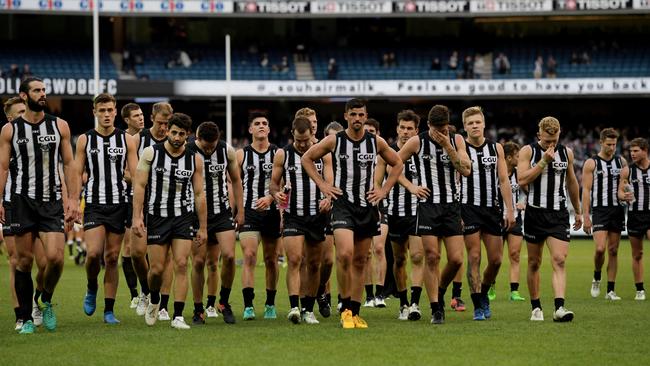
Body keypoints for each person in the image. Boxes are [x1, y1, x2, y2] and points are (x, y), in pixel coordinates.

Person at [302, 98, 403, 329]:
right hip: (342, 205)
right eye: (353, 114)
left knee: (360, 260)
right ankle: (345, 308)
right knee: (345, 255)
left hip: (367, 207)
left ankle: (355, 313)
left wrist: (383, 191)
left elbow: (397, 164)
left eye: (361, 115)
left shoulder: (375, 142)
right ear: (346, 116)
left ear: (365, 116)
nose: (357, 118)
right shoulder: (334, 140)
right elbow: (307, 158)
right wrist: (323, 186)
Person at [0, 77, 79, 334]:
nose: (42, 94)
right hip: (21, 201)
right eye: (37, 90)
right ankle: (23, 318)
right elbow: (2, 168)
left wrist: (72, 199)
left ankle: (43, 298)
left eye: (44, 89)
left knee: (55, 259)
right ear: (24, 96)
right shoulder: (10, 131)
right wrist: (1, 200)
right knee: (23, 262)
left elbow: (69, 164)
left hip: (51, 201)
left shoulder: (60, 126)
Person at [132, 112, 207, 329]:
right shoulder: (150, 153)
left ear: (188, 135)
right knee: (155, 269)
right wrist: (137, 217)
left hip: (183, 217)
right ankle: (154, 298)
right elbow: (139, 185)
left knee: (182, 264)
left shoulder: (194, 159)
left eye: (181, 134)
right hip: (157, 217)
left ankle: (178, 316)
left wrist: (202, 226)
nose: (175, 137)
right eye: (173, 132)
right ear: (167, 131)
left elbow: (200, 194)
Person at [397, 104, 471, 324]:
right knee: (432, 257)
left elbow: (466, 170)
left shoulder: (456, 140)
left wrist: (448, 145)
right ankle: (436, 308)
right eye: (436, 128)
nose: (440, 132)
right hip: (428, 206)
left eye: (444, 128)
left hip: (451, 207)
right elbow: (393, 163)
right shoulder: (417, 142)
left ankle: (439, 288)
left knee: (456, 260)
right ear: (428, 125)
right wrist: (411, 187)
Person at [76, 93, 138, 324]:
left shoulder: (126, 140)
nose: (106, 114)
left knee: (112, 258)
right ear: (95, 112)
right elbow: (75, 171)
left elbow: (136, 175)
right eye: (102, 110)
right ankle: (92, 287)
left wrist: (129, 178)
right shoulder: (85, 140)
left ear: (115, 111)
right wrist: (72, 201)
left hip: (119, 204)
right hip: (93, 203)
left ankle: (109, 310)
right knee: (93, 254)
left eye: (110, 110)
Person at [517, 116, 582, 322]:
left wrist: (579, 211)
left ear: (559, 134)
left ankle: (559, 308)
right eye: (546, 141)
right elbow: (522, 179)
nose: (551, 145)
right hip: (535, 213)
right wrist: (544, 160)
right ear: (539, 135)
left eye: (554, 141)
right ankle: (536, 307)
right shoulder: (528, 151)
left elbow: (572, 183)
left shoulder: (567, 153)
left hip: (558, 214)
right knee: (534, 262)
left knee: (559, 260)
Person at [271, 116, 331, 324]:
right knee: (295, 260)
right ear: (292, 135)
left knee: (315, 264)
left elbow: (329, 181)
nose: (303, 144)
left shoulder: (323, 153)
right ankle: (294, 307)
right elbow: (273, 184)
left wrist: (328, 198)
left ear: (312, 135)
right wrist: (276, 196)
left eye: (306, 140)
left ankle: (308, 308)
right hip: (293, 215)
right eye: (299, 140)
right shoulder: (283, 154)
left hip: (317, 214)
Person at [460, 107, 515, 321]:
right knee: (474, 257)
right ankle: (477, 305)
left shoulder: (496, 149)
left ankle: (483, 294)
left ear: (484, 125)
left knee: (496, 260)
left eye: (477, 122)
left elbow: (503, 180)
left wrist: (510, 209)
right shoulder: (460, 147)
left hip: (492, 209)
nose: (474, 125)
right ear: (465, 126)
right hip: (468, 208)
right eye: (470, 123)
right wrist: (458, 212)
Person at [186, 121, 243, 325]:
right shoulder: (188, 150)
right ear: (197, 138)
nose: (210, 149)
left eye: (213, 145)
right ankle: (198, 309)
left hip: (221, 212)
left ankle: (224, 302)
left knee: (228, 256)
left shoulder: (226, 150)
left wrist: (240, 211)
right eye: (206, 146)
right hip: (194, 215)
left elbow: (236, 180)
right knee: (200, 262)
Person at [377, 110, 425, 321]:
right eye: (402, 128)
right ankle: (403, 303)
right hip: (394, 212)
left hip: (418, 212)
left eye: (410, 129)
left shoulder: (423, 151)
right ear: (397, 128)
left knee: (417, 256)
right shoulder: (387, 151)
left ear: (416, 131)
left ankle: (415, 303)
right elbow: (384, 174)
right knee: (399, 260)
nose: (405, 132)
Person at [236, 111, 281, 320]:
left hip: (272, 212)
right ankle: (248, 305)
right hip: (250, 212)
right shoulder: (241, 155)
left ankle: (270, 304)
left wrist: (271, 199)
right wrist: (237, 210)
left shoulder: (279, 154)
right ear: (250, 129)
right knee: (249, 256)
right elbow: (233, 183)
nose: (261, 126)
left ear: (269, 129)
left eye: (265, 123)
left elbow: (286, 184)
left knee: (272, 259)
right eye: (257, 123)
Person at [131, 102, 173, 319]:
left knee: (166, 259)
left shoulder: (174, 140)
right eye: (160, 123)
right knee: (137, 253)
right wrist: (142, 177)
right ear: (152, 118)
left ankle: (163, 305)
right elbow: (128, 171)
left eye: (167, 123)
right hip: (143, 203)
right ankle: (146, 291)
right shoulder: (139, 139)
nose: (164, 128)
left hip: (166, 206)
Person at [582, 128, 626, 300]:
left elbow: (625, 184)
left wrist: (628, 194)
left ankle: (610, 290)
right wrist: (586, 216)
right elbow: (586, 190)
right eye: (609, 144)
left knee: (613, 250)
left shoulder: (621, 162)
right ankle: (597, 276)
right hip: (600, 210)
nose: (612, 147)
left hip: (617, 210)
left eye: (614, 144)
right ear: (601, 143)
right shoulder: (591, 163)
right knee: (600, 249)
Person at [2, 97, 27, 331]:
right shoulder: (4, 142)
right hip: (11, 204)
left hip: (39, 206)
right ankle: (20, 314)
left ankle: (39, 299)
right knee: (15, 261)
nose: (25, 114)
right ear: (10, 119)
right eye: (20, 112)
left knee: (49, 260)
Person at [361, 118, 389, 308]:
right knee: (365, 253)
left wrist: (383, 193)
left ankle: (380, 294)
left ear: (377, 132)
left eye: (372, 130)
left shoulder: (384, 153)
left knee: (379, 248)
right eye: (366, 130)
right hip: (360, 207)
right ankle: (369, 294)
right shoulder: (355, 151)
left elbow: (397, 170)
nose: (369, 133)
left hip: (381, 206)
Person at [120, 102, 145, 309]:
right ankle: (134, 293)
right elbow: (124, 173)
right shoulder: (122, 140)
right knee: (129, 247)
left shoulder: (150, 138)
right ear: (127, 119)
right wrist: (140, 180)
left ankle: (148, 292)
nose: (141, 118)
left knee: (149, 247)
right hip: (129, 199)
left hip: (153, 200)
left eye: (142, 114)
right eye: (136, 116)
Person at [318, 121, 344, 317]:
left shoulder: (349, 155)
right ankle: (323, 293)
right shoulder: (320, 154)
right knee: (326, 260)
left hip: (347, 208)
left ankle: (345, 299)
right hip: (326, 209)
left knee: (346, 257)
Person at [617, 137, 648, 301]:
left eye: (636, 151)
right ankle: (640, 289)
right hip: (635, 215)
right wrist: (624, 196)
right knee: (637, 254)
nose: (632, 154)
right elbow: (620, 192)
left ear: (645, 151)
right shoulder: (627, 170)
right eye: (631, 151)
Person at [497, 142, 527, 302]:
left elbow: (527, 192)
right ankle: (491, 286)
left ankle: (514, 291)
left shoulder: (519, 175)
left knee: (515, 255)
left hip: (516, 219)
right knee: (496, 257)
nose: (519, 159)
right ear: (508, 158)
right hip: (497, 220)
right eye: (517, 156)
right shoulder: (496, 173)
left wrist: (523, 202)